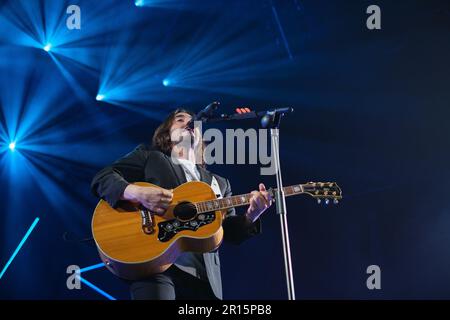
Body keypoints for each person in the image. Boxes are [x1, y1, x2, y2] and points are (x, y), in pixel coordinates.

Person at [90, 108, 272, 300]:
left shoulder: (220, 182)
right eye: (180, 120)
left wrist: (252, 214)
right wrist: (137, 192)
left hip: (204, 277)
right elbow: (102, 178)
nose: (189, 124)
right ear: (166, 133)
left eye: (192, 122)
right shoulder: (151, 157)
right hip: (155, 265)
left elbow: (229, 232)